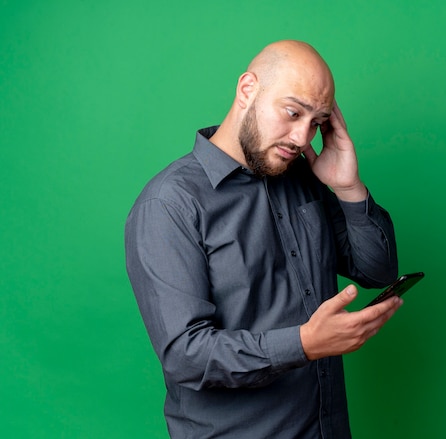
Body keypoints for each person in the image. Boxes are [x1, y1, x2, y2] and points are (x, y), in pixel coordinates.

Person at [125, 40, 402, 439]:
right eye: (292, 112)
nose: (302, 137)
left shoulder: (305, 180)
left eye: (316, 121)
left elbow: (376, 270)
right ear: (247, 89)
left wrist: (348, 187)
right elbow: (186, 356)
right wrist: (304, 343)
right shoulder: (170, 205)